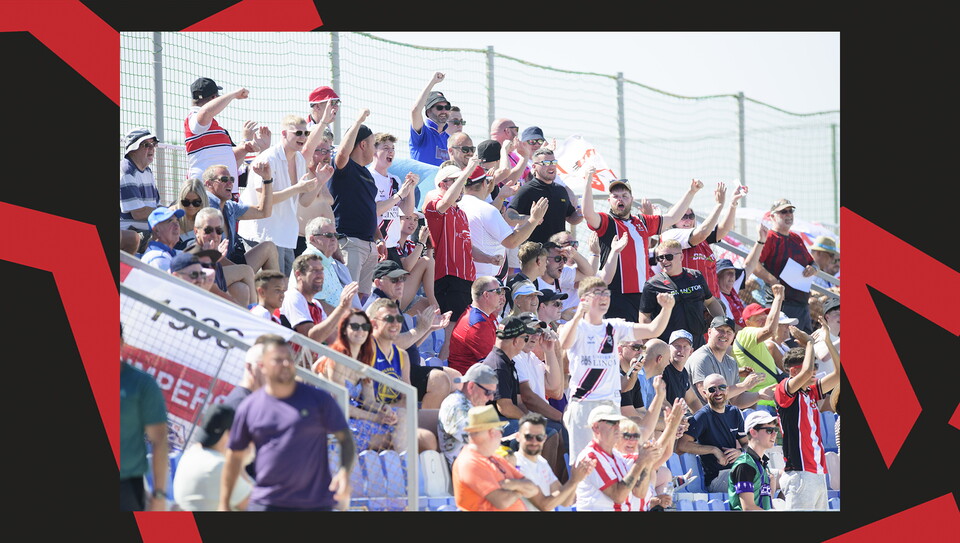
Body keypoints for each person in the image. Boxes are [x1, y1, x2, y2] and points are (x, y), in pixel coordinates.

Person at [220, 334, 355, 511]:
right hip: (267, 503)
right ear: (262, 366)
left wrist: (344, 472)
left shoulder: (319, 400)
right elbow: (234, 457)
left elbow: (346, 440)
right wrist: (224, 504)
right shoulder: (249, 407)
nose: (285, 364)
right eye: (277, 360)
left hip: (314, 504)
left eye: (289, 359)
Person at [558, 276, 676, 462]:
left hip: (609, 406)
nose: (604, 297)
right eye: (598, 293)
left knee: (609, 461)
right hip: (583, 403)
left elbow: (653, 330)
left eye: (606, 293)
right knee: (582, 462)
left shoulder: (614, 326)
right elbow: (564, 344)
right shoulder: (576, 327)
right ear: (584, 299)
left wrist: (667, 309)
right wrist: (579, 314)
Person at [581, 171, 705, 322]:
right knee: (625, 342)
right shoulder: (607, 221)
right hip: (618, 294)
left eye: (625, 196)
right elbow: (588, 214)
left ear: (632, 199)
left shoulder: (641, 221)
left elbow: (672, 217)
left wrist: (691, 192)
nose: (620, 199)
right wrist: (588, 181)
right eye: (616, 196)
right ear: (609, 200)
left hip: (644, 292)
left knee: (644, 339)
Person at [238, 115, 328, 278]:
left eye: (306, 134)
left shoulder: (299, 160)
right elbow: (264, 201)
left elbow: (304, 201)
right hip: (263, 235)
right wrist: (296, 188)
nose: (303, 137)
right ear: (284, 134)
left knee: (284, 289)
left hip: (285, 235)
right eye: (298, 133)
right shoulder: (268, 158)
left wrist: (319, 183)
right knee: (268, 287)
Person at [362, 259, 457, 409]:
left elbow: (409, 344)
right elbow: (392, 344)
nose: (400, 283)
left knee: (458, 380)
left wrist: (428, 328)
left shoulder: (391, 303)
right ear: (378, 283)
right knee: (440, 381)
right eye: (394, 280)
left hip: (406, 366)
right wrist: (419, 329)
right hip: (390, 371)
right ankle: (423, 425)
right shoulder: (379, 306)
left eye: (402, 279)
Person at [775, 320, 841, 510]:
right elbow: (804, 374)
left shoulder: (809, 392)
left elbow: (839, 374)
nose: (815, 372)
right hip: (799, 474)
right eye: (813, 368)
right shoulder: (784, 389)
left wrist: (828, 340)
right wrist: (810, 342)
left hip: (818, 474)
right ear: (794, 370)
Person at [313, 309, 399, 451]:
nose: (361, 331)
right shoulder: (337, 358)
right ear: (344, 329)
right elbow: (340, 405)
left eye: (365, 327)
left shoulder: (363, 359)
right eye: (355, 326)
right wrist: (375, 418)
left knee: (401, 418)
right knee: (390, 439)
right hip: (331, 421)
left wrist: (384, 409)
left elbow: (369, 400)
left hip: (353, 417)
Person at [424, 160, 481, 360]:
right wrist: (466, 172)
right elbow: (444, 202)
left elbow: (468, 246)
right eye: (456, 181)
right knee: (453, 331)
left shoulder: (461, 213)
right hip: (448, 277)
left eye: (463, 181)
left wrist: (490, 258)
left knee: (463, 331)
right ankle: (442, 369)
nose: (462, 184)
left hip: (466, 279)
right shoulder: (435, 205)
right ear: (442, 184)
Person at [659, 182, 746, 301]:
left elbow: (724, 229)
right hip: (688, 302)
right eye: (684, 216)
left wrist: (733, 204)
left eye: (691, 216)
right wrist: (719, 205)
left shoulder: (700, 238)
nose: (688, 220)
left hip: (711, 303)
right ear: (674, 220)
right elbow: (702, 233)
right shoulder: (670, 236)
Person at [459, 163, 548, 279]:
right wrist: (533, 219)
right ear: (484, 183)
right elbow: (511, 242)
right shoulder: (485, 209)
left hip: (465, 275)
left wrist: (500, 197)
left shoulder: (457, 206)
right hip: (486, 281)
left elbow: (484, 219)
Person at [330, 109, 381, 300]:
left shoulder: (367, 174)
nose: (375, 149)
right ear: (363, 144)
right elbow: (342, 153)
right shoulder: (344, 167)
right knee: (347, 297)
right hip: (350, 242)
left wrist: (379, 239)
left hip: (369, 246)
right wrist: (358, 120)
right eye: (374, 144)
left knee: (362, 298)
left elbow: (371, 209)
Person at [451, 405, 541, 511]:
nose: (501, 435)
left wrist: (511, 484)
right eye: (501, 430)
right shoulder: (470, 462)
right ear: (492, 432)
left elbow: (533, 488)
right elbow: (502, 502)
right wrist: (519, 489)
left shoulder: (495, 458)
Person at [573, 405, 662, 511]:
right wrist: (641, 461)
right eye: (612, 423)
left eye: (618, 423)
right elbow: (618, 496)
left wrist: (646, 461)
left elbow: (640, 493)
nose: (617, 427)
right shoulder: (591, 457)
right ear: (596, 427)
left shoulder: (616, 456)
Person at [639, 238, 726, 348]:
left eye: (668, 257)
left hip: (697, 343)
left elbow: (711, 302)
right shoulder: (653, 284)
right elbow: (644, 316)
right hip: (670, 346)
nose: (664, 261)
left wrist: (722, 323)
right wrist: (652, 344)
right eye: (660, 258)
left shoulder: (696, 276)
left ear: (681, 257)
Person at [120, 325, 169, 511]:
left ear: (121, 343)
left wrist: (159, 494)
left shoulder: (142, 384)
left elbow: (159, 440)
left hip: (126, 488)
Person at [675, 373, 749, 493]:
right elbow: (681, 445)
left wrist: (741, 452)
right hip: (717, 478)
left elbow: (746, 444)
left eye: (722, 388)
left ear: (727, 389)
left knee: (769, 477)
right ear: (704, 394)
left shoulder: (734, 412)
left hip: (736, 471)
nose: (718, 392)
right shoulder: (702, 416)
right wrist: (714, 450)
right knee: (750, 481)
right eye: (712, 389)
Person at [754, 198, 820, 333]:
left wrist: (813, 268)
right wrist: (772, 280)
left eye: (791, 211)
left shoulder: (796, 238)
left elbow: (814, 263)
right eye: (783, 211)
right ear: (772, 216)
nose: (789, 214)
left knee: (805, 349)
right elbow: (754, 265)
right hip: (781, 304)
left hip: (802, 305)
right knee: (785, 349)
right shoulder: (770, 237)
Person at [202, 162, 279, 275]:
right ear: (209, 184)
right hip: (213, 267)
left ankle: (274, 290)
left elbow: (263, 212)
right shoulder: (204, 208)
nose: (230, 183)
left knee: (269, 247)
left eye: (232, 179)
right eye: (224, 179)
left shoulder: (229, 206)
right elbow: (211, 254)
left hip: (230, 262)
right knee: (245, 281)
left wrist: (266, 180)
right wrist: (243, 273)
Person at [173, 403, 252, 511]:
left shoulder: (192, 452)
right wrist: (240, 463)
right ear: (228, 434)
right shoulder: (218, 466)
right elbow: (256, 504)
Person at [514, 412, 596, 511]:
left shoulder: (541, 462)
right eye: (528, 437)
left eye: (539, 437)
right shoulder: (515, 464)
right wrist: (574, 480)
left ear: (544, 438)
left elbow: (566, 501)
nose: (534, 441)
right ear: (518, 436)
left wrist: (577, 480)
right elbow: (544, 505)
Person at [184, 78, 250, 200]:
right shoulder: (194, 117)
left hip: (222, 193)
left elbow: (229, 160)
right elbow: (205, 113)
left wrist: (245, 147)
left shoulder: (213, 127)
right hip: (208, 193)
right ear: (214, 98)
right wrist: (234, 94)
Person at [687, 316, 767, 409]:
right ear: (709, 332)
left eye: (729, 331)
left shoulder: (731, 361)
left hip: (719, 417)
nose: (724, 334)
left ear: (733, 336)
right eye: (720, 330)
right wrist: (744, 385)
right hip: (698, 419)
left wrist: (759, 395)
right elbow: (708, 396)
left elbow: (736, 401)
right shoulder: (702, 358)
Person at [279, 253, 359, 345]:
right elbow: (310, 338)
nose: (320, 275)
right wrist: (342, 307)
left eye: (321, 270)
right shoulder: (293, 296)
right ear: (298, 274)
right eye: (314, 271)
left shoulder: (316, 305)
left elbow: (333, 338)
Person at [507, 148, 583, 244]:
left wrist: (582, 213)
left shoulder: (561, 190)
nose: (551, 167)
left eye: (553, 162)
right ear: (534, 166)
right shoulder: (527, 190)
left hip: (557, 252)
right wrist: (531, 219)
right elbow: (509, 216)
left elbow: (571, 218)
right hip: (535, 252)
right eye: (546, 163)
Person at [732, 285, 788, 411]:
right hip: (760, 405)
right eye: (759, 319)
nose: (764, 321)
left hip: (769, 403)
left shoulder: (759, 342)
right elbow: (769, 330)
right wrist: (778, 298)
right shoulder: (745, 333)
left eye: (765, 318)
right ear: (747, 322)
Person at [191, 207, 257, 307]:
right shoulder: (193, 250)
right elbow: (199, 281)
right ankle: (256, 314)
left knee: (241, 288)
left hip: (214, 289)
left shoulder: (214, 249)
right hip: (197, 295)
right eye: (208, 230)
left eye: (218, 230)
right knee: (246, 270)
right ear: (196, 231)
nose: (214, 235)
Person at [438, 363, 499, 468]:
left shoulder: (470, 406)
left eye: (494, 393)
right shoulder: (456, 405)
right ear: (471, 387)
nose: (491, 398)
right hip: (467, 472)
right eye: (488, 392)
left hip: (479, 465)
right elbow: (477, 439)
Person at [297, 216, 358, 315]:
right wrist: (346, 318)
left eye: (336, 235)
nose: (334, 239)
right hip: (325, 324)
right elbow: (315, 303)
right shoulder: (309, 263)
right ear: (313, 239)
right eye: (328, 235)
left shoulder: (327, 260)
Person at [369, 133, 418, 255]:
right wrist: (399, 195)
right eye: (386, 148)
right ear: (373, 151)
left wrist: (410, 188)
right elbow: (375, 210)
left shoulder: (395, 180)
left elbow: (406, 212)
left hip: (392, 245)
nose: (391, 152)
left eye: (393, 148)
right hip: (375, 244)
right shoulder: (368, 176)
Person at [447, 276, 505, 375]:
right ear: (486, 295)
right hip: (468, 384)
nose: (502, 297)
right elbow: (494, 362)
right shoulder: (478, 324)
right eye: (498, 292)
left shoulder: (485, 315)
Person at [713, 223, 766, 328]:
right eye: (727, 273)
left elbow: (750, 265)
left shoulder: (733, 288)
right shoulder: (716, 294)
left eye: (733, 273)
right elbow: (729, 325)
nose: (732, 277)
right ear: (717, 276)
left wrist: (760, 241)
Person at [537, 232, 596, 321]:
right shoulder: (533, 282)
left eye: (564, 259)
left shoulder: (561, 274)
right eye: (557, 259)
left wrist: (574, 254)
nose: (562, 263)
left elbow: (589, 273)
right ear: (544, 260)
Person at [120, 128, 161, 254]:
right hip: (132, 233)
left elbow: (156, 206)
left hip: (145, 232)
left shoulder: (148, 172)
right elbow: (138, 213)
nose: (152, 149)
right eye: (146, 145)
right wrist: (168, 211)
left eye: (153, 145)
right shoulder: (126, 171)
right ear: (133, 149)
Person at [728, 410, 780, 511]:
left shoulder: (761, 463)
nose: (774, 434)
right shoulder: (745, 465)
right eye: (769, 430)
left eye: (775, 430)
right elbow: (748, 508)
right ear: (753, 432)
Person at [660, 329, 703, 412]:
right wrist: (677, 419)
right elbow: (662, 401)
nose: (681, 350)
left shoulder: (683, 373)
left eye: (685, 346)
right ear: (668, 348)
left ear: (691, 351)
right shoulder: (663, 369)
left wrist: (707, 418)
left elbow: (692, 400)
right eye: (677, 345)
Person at [140, 206, 184, 272]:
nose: (176, 225)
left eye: (177, 221)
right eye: (170, 221)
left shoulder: (172, 253)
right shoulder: (157, 257)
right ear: (156, 230)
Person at [170, 178, 208, 251]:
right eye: (186, 202)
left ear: (203, 201)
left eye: (196, 202)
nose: (191, 206)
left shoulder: (208, 218)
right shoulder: (172, 215)